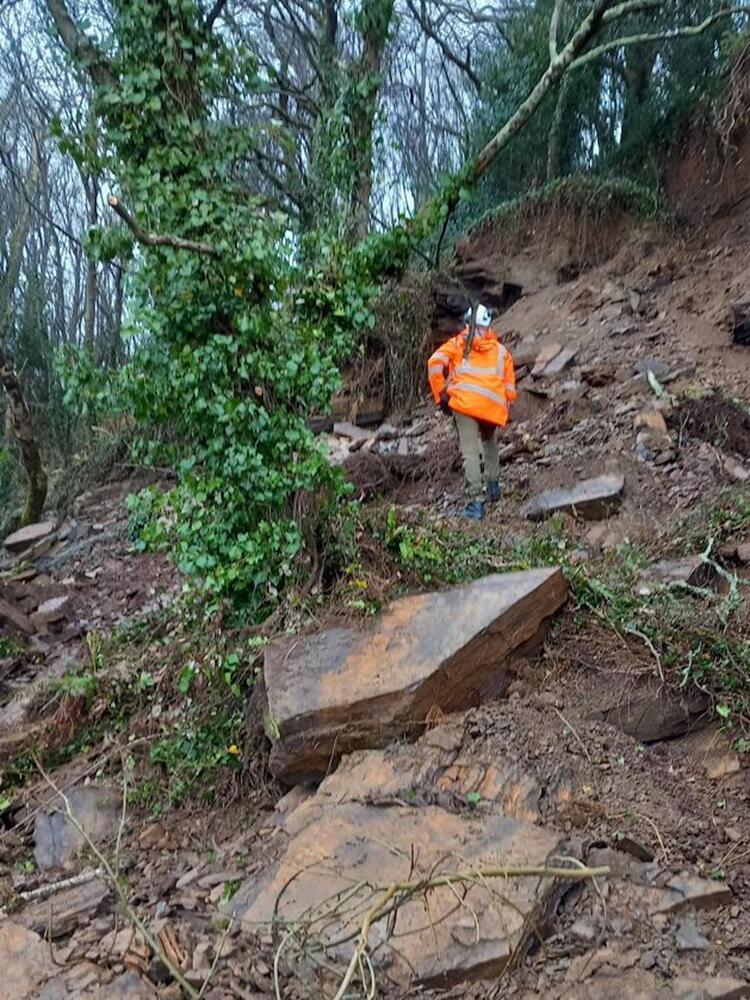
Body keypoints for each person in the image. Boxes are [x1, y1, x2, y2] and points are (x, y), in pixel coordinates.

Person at [427, 303, 516, 520]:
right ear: (488, 325)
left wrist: (441, 395)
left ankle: (475, 504)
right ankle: (494, 488)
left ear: (468, 324)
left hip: (464, 405)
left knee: (470, 452)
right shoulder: (502, 352)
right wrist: (499, 406)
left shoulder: (458, 344)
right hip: (490, 408)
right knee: (489, 441)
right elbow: (510, 389)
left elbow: (434, 363)